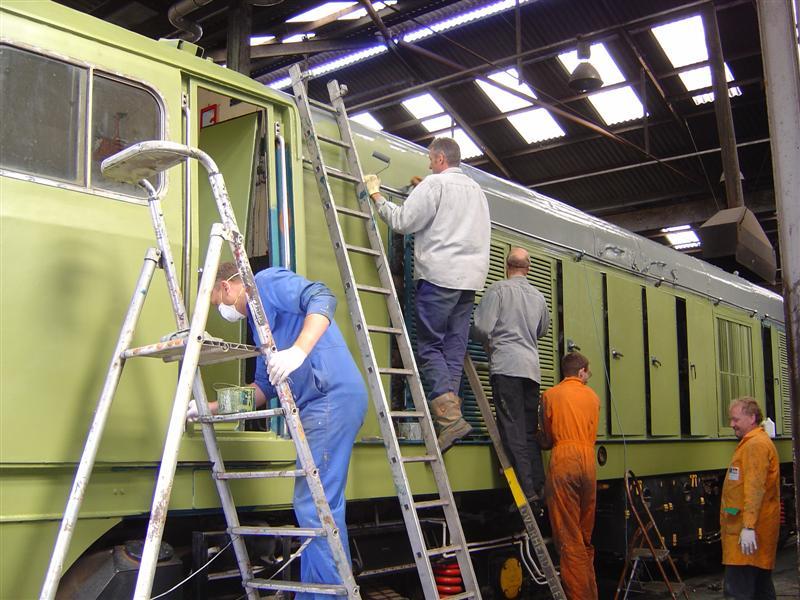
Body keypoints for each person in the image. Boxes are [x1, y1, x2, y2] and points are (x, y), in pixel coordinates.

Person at [190, 262, 368, 599]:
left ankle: (331, 596)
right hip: (319, 404)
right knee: (315, 507)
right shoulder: (259, 325)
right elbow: (262, 388)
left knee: (315, 505)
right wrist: (207, 408)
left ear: (226, 287)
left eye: (216, 301)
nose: (220, 309)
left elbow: (321, 296)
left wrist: (298, 351)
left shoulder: (265, 283)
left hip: (330, 397)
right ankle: (315, 595)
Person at [363, 137, 490, 452]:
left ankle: (450, 420)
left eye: (431, 160)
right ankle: (451, 420)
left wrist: (376, 194)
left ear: (440, 159)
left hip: (439, 278)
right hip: (469, 282)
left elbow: (402, 222)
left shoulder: (434, 185)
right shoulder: (476, 191)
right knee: (453, 350)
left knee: (430, 346)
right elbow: (452, 220)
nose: (429, 166)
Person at [472, 247, 550, 502]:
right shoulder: (539, 297)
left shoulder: (498, 290)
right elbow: (542, 330)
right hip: (531, 370)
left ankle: (526, 490)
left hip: (506, 367)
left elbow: (482, 328)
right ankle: (538, 485)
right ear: (528, 268)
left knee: (512, 429)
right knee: (528, 430)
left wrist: (485, 339)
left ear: (507, 267)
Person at [541, 352, 599, 600]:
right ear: (581, 371)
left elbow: (546, 440)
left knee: (569, 537)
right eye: (588, 372)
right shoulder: (593, 397)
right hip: (588, 463)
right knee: (584, 536)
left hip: (564, 461)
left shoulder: (550, 395)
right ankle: (590, 593)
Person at [721, 397, 780, 600]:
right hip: (752, 534)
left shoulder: (755, 445)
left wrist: (748, 527)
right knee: (761, 590)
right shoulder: (753, 443)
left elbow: (755, 488)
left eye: (736, 419)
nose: (732, 424)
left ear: (752, 418)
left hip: (746, 538)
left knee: (738, 592)